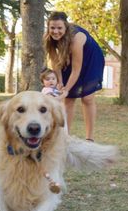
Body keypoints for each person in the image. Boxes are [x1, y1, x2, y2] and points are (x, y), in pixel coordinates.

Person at [43, 11, 104, 141]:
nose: (55, 31)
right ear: (48, 27)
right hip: (69, 57)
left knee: (87, 98)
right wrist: (60, 82)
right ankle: (65, 137)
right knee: (68, 99)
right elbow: (55, 63)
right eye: (52, 28)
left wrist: (67, 89)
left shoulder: (76, 38)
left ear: (66, 27)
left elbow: (76, 70)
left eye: (59, 28)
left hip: (91, 60)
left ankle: (89, 138)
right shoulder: (49, 38)